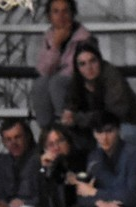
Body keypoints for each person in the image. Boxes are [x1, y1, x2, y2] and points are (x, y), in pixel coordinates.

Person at [62, 40, 136, 153]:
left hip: (132, 129)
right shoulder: (76, 82)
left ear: (100, 61)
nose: (89, 68)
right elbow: (70, 109)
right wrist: (68, 116)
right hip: (97, 131)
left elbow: (111, 117)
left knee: (106, 135)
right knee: (64, 137)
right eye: (82, 64)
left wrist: (77, 119)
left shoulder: (113, 77)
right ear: (77, 68)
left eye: (93, 61)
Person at [67, 111, 136, 207]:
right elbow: (82, 195)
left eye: (109, 131)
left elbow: (132, 196)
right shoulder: (94, 157)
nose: (104, 137)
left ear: (118, 130)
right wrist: (99, 203)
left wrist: (96, 193)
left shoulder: (135, 154)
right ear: (94, 134)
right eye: (99, 132)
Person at [32, 0, 95, 132]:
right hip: (56, 82)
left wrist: (56, 70)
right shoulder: (49, 37)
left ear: (72, 14)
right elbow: (43, 70)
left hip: (82, 86)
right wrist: (56, 45)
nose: (61, 15)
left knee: (57, 82)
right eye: (56, 11)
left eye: (65, 11)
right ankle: (46, 131)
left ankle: (66, 129)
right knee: (40, 83)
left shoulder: (84, 38)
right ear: (49, 17)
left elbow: (79, 70)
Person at [35, 121, 85, 207]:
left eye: (60, 141)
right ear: (44, 148)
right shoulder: (42, 166)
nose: (56, 147)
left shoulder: (82, 159)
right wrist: (44, 169)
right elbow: (39, 195)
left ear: (68, 141)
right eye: (51, 144)